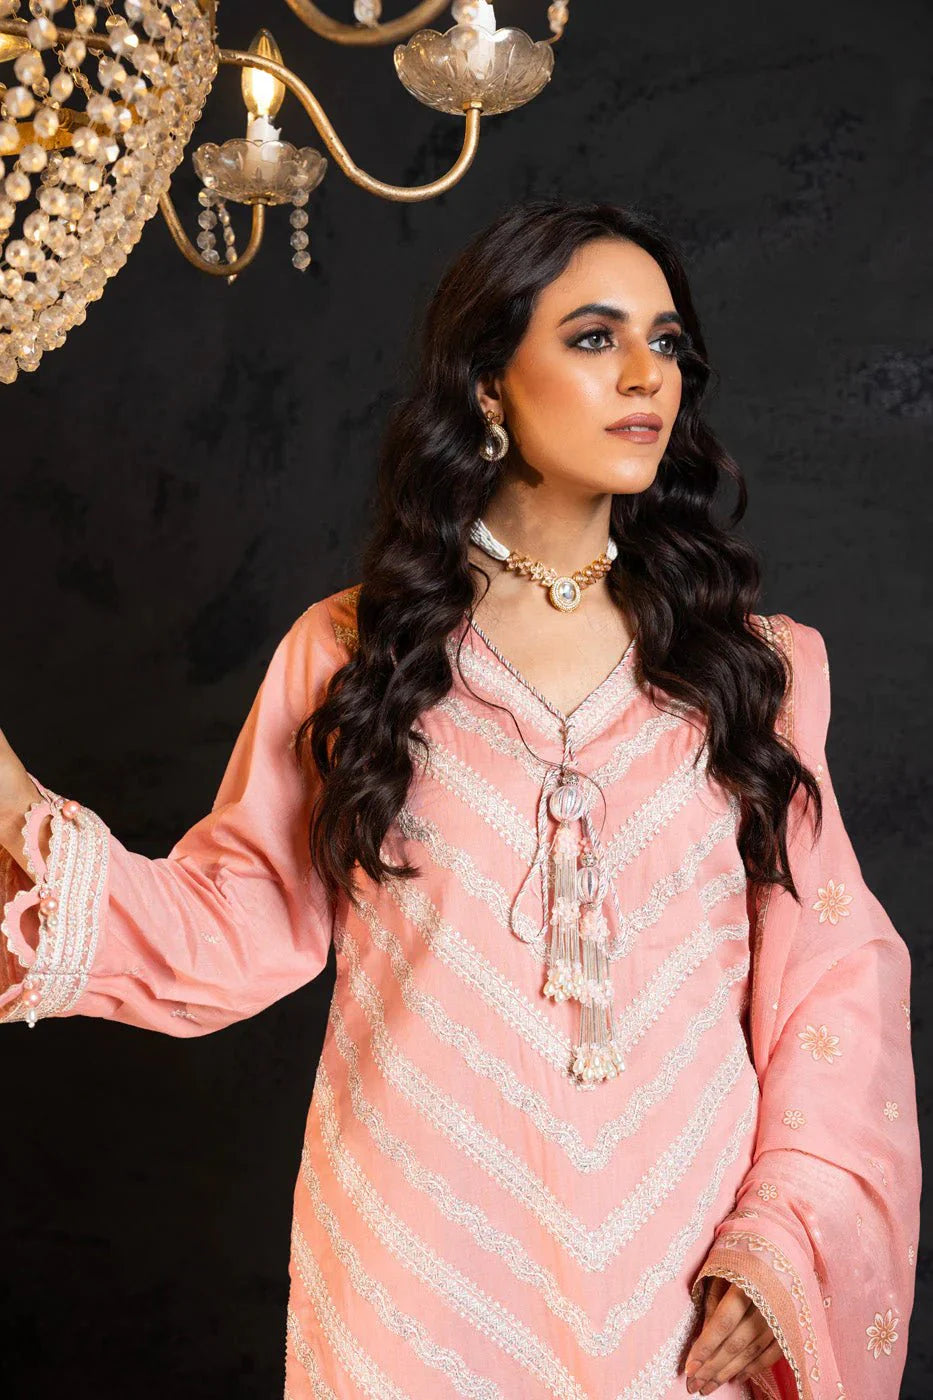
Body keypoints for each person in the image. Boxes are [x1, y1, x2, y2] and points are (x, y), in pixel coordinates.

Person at [0, 197, 920, 1399]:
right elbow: (232, 923)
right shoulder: (359, 655)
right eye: (593, 337)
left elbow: (837, 980)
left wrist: (784, 1231)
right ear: (490, 383)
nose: (646, 373)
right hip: (418, 1271)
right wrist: (11, 801)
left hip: (681, 1268)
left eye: (666, 341)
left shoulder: (750, 669)